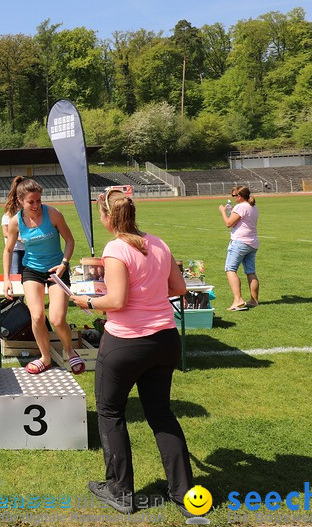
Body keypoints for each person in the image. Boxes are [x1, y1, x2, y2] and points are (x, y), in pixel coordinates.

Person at [70, 186, 193, 516]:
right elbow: (179, 289)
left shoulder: (115, 248)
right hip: (165, 340)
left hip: (126, 343)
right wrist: (149, 288)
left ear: (108, 217)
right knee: (161, 413)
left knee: (110, 413)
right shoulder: (159, 243)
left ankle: (119, 491)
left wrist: (86, 301)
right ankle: (184, 494)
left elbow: (117, 301)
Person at [1, 176, 82, 375]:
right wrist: (6, 279)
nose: (36, 205)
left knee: (56, 318)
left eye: (38, 200)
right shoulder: (15, 222)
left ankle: (69, 351)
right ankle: (45, 358)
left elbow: (70, 241)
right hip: (31, 270)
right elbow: (8, 250)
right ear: (20, 201)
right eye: (31, 202)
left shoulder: (53, 214)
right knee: (36, 316)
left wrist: (63, 264)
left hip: (57, 270)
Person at [220, 185, 259, 311]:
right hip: (252, 243)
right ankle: (254, 300)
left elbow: (229, 223)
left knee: (230, 269)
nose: (233, 198)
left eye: (234, 196)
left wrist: (222, 211)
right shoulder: (253, 207)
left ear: (240, 196)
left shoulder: (240, 206)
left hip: (240, 243)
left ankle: (238, 300)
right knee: (250, 271)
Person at [1, 198, 26, 276]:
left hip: (25, 248)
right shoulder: (6, 217)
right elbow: (5, 233)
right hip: (14, 248)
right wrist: (18, 239)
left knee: (26, 272)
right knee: (15, 272)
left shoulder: (23, 216)